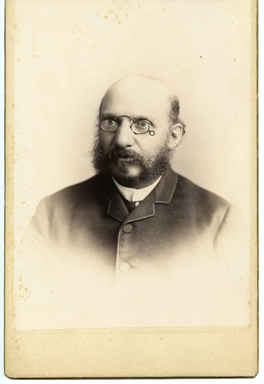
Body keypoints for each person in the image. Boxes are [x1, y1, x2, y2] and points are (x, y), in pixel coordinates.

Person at [25, 75, 248, 327]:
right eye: (110, 122)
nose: (121, 139)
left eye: (142, 124)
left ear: (174, 136)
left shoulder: (219, 220)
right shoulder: (52, 213)